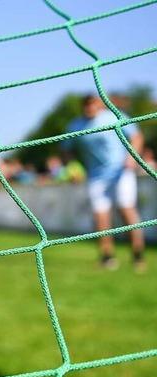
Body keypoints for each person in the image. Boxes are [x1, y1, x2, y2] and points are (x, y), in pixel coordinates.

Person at [62, 94, 146, 272]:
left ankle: (138, 254)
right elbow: (66, 150)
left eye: (92, 104)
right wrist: (72, 167)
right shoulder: (75, 125)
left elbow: (137, 136)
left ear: (99, 105)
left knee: (126, 209)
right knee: (100, 215)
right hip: (96, 176)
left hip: (121, 171)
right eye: (86, 105)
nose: (89, 108)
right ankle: (107, 256)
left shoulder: (114, 116)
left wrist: (132, 156)